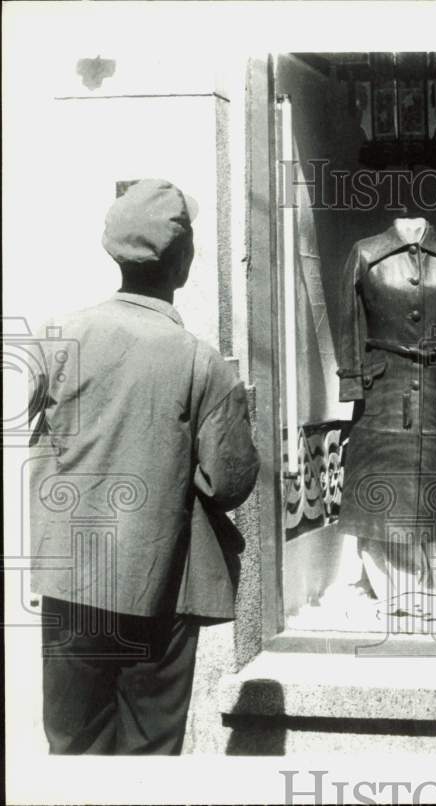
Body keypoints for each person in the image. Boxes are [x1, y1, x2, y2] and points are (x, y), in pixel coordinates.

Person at [27, 179, 259, 754]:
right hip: (161, 590)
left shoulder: (57, 337)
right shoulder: (203, 364)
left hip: (70, 583)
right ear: (183, 263)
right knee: (150, 758)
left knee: (73, 754)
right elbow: (230, 482)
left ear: (113, 251)